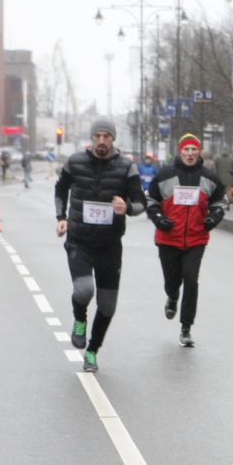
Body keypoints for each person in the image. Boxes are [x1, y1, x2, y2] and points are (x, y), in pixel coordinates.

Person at [54, 116, 146, 372]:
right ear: (92, 138)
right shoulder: (75, 162)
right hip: (79, 241)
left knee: (107, 306)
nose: (102, 141)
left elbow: (141, 203)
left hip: (109, 245)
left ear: (113, 139)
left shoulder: (126, 167)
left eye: (107, 136)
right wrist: (61, 218)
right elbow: (60, 190)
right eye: (98, 136)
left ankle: (92, 351)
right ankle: (79, 319)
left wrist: (126, 207)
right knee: (84, 291)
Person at [146, 133, 226, 347]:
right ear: (180, 152)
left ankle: (186, 328)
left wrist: (213, 218)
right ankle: (172, 297)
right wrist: (159, 219)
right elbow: (151, 199)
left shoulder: (209, 177)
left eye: (194, 150)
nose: (190, 154)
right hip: (168, 238)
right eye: (186, 150)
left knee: (191, 279)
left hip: (196, 239)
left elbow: (220, 202)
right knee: (172, 282)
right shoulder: (165, 175)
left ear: (199, 152)